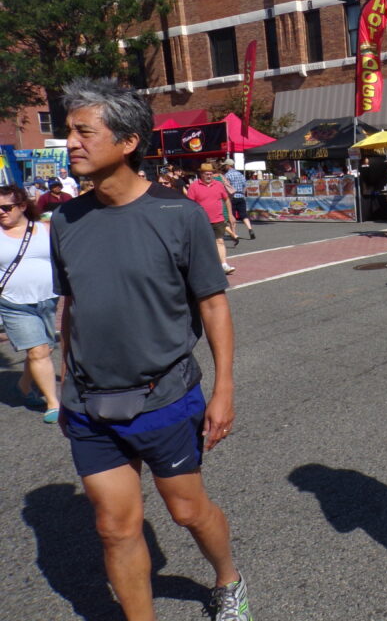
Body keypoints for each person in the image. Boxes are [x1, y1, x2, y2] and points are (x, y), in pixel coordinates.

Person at [51, 78, 253, 621]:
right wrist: (62, 377)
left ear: (128, 141)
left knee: (187, 510)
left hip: (164, 397)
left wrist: (224, 388)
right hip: (91, 403)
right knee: (114, 528)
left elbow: (213, 305)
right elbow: (73, 303)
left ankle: (228, 579)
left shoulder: (178, 215)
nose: (69, 141)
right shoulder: (65, 220)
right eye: (68, 130)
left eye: (83, 131)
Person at [0, 185, 60, 423]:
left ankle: (24, 386)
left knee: (43, 349)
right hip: (13, 303)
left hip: (47, 301)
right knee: (38, 351)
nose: (2, 212)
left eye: (6, 207)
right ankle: (53, 403)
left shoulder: (45, 229)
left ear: (22, 206)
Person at [187, 163, 236, 275]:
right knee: (203, 244)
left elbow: (226, 199)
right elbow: (189, 204)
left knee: (219, 241)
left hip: (217, 219)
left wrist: (230, 214)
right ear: (201, 174)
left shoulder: (219, 184)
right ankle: (203, 266)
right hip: (201, 220)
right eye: (206, 174)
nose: (209, 176)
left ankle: (224, 265)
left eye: (211, 174)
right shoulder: (194, 186)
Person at [222, 159, 255, 240]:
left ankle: (234, 233)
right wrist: (243, 194)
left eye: (225, 165)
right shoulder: (240, 174)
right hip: (241, 196)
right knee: (244, 215)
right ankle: (250, 229)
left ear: (228, 166)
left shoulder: (227, 175)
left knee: (232, 216)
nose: (224, 166)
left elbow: (226, 187)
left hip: (232, 197)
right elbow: (245, 186)